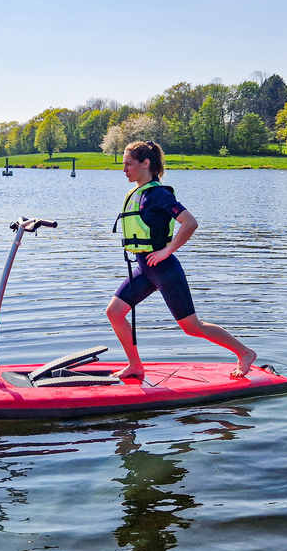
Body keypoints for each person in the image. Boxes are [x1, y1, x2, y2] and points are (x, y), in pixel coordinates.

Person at [106, 140, 257, 380]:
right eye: (123, 164)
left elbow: (190, 222)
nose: (124, 170)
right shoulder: (139, 194)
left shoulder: (158, 194)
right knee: (114, 312)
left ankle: (245, 353)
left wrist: (167, 251)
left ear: (146, 164)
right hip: (145, 268)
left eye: (128, 164)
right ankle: (135, 366)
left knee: (192, 327)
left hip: (164, 268)